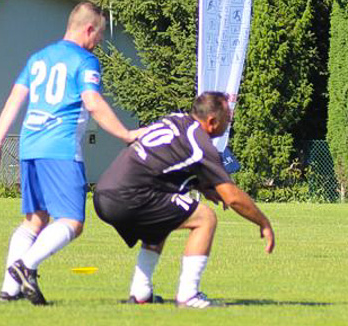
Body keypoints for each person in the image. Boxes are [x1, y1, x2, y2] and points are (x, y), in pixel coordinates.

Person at [0, 2, 142, 305]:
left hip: (30, 146)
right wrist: (126, 134)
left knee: (35, 220)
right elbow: (93, 102)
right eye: (99, 34)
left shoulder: (38, 58)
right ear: (88, 29)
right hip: (60, 147)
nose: (99, 42)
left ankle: (9, 289)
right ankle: (25, 266)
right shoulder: (85, 60)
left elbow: (14, 99)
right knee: (72, 221)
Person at [92, 91, 275, 309]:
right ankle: (189, 296)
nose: (229, 123)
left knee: (161, 222)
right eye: (228, 119)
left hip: (104, 193)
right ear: (212, 121)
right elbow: (232, 197)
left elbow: (161, 159)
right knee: (205, 218)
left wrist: (201, 185)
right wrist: (263, 222)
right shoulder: (201, 144)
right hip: (130, 196)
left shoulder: (174, 120)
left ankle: (141, 293)